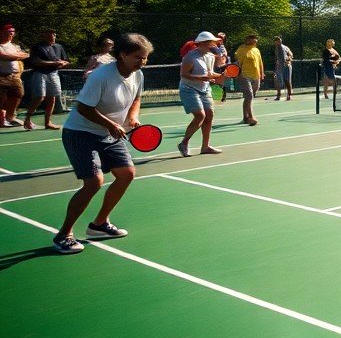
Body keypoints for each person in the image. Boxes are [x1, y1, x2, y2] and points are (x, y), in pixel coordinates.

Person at [51, 33, 154, 254]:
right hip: (81, 132)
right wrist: (110, 124)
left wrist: (133, 117)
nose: (143, 62)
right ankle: (64, 234)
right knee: (94, 182)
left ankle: (99, 224)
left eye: (145, 57)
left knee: (126, 174)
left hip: (109, 133)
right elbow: (83, 107)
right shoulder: (101, 76)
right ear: (123, 55)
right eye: (138, 57)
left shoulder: (138, 75)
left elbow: (136, 98)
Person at [177, 31, 224, 157]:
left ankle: (205, 147)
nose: (213, 45)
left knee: (209, 114)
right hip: (189, 88)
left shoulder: (210, 56)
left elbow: (210, 74)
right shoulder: (190, 57)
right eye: (211, 42)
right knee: (200, 115)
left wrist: (224, 75)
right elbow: (184, 74)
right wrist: (200, 78)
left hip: (205, 89)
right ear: (202, 43)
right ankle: (184, 143)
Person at [25, 29, 70, 131]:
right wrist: (55, 63)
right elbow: (35, 62)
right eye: (50, 34)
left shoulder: (59, 47)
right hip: (40, 74)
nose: (53, 36)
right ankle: (27, 119)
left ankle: (48, 122)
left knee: (52, 98)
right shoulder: (37, 47)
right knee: (39, 97)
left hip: (54, 74)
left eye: (54, 34)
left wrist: (63, 63)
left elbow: (66, 61)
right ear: (43, 35)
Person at [0, 24, 29, 128]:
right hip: (2, 76)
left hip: (15, 76)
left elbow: (25, 54)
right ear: (2, 33)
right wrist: (18, 56)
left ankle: (9, 117)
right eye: (8, 33)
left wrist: (16, 56)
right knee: (1, 98)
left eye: (12, 34)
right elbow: (4, 56)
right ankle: (1, 119)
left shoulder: (14, 46)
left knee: (18, 94)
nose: (10, 35)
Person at [234, 33, 265, 125]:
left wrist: (261, 74)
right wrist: (237, 75)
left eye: (255, 38)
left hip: (256, 76)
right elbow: (238, 64)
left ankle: (245, 117)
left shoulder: (256, 50)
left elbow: (260, 62)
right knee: (249, 96)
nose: (254, 39)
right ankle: (251, 117)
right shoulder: (241, 50)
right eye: (251, 38)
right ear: (247, 40)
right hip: (244, 76)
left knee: (249, 97)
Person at [272, 35, 294, 100]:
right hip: (279, 67)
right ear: (275, 42)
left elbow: (291, 54)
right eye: (277, 40)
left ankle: (289, 95)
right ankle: (278, 95)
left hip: (287, 66)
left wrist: (289, 59)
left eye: (279, 39)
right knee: (278, 80)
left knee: (287, 80)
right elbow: (277, 59)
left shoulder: (285, 47)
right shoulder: (276, 48)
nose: (278, 41)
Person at [213, 32, 231, 102]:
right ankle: (217, 96)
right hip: (214, 66)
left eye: (222, 38)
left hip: (221, 66)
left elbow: (224, 56)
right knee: (215, 82)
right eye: (219, 38)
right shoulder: (212, 46)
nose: (220, 39)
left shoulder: (222, 47)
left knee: (221, 82)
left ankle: (222, 97)